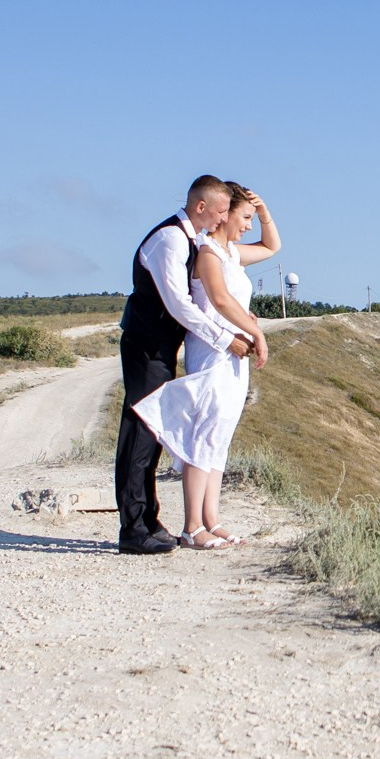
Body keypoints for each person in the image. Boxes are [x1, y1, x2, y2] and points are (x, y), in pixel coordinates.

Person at [131, 183, 280, 549]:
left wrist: (264, 212)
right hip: (213, 349)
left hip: (232, 353)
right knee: (205, 432)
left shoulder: (231, 253)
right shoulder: (209, 252)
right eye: (244, 217)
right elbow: (220, 299)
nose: (248, 225)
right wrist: (256, 332)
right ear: (224, 214)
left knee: (220, 434)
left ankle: (212, 519)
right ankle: (192, 526)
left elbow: (271, 246)